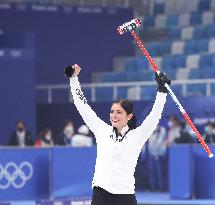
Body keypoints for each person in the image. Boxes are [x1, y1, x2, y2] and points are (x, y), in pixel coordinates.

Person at [66, 64, 171, 205]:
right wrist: (73, 80)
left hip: (125, 196)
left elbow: (155, 115)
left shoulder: (138, 135)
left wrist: (162, 91)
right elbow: (82, 106)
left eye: (119, 112)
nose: (114, 115)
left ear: (129, 116)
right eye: (112, 111)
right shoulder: (101, 130)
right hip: (101, 194)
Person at [147, 125, 167, 191]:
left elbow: (159, 142)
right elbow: (149, 142)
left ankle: (161, 187)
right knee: (151, 171)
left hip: (159, 154)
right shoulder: (149, 130)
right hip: (151, 154)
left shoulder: (162, 130)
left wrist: (156, 153)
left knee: (160, 171)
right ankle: (153, 187)